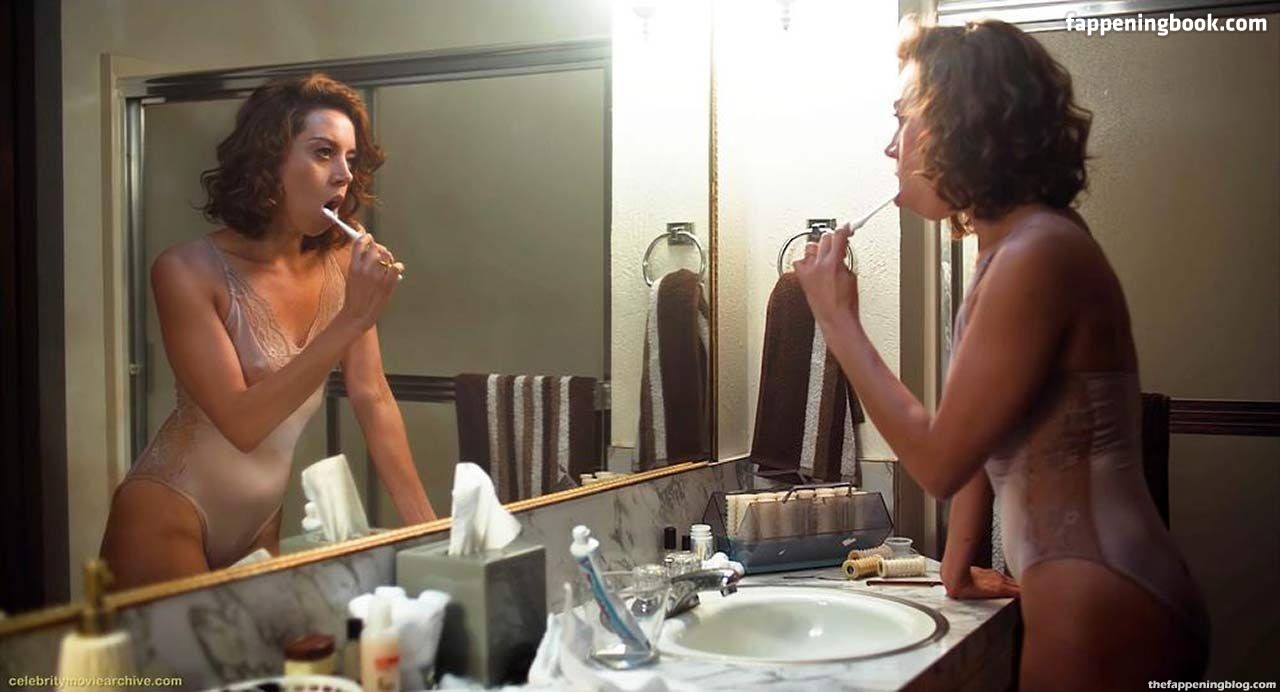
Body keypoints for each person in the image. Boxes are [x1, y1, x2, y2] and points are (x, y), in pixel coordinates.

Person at [793, 18, 1209, 688]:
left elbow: (939, 461)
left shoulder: (1035, 255)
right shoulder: (1010, 248)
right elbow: (986, 432)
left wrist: (838, 320)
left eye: (902, 119)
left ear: (962, 123)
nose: (890, 146)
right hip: (1092, 589)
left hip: (1100, 603)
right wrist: (957, 564)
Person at [101, 73, 436, 589]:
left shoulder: (342, 261)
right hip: (166, 513)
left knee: (286, 648)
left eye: (350, 158)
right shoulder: (186, 269)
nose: (344, 174)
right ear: (268, 160)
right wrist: (353, 317)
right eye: (323, 153)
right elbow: (242, 424)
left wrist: (432, 532)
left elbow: (372, 396)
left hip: (259, 522)